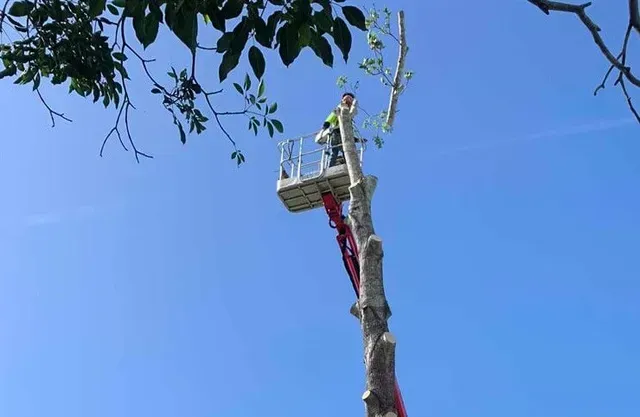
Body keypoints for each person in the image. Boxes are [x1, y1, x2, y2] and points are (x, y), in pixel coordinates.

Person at [318, 92, 356, 167]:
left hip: (344, 135)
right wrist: (324, 129)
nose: (348, 100)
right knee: (335, 151)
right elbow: (330, 118)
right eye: (347, 98)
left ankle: (348, 165)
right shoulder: (339, 108)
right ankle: (330, 167)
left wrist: (356, 139)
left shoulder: (349, 115)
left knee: (346, 151)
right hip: (336, 133)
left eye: (350, 99)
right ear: (343, 100)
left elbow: (350, 131)